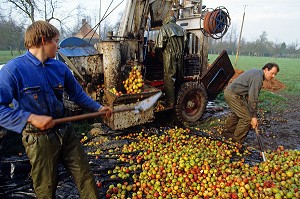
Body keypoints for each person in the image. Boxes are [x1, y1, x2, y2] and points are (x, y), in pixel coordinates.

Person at [0, 20, 112, 199]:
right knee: (46, 186)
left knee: (85, 175)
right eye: (56, 41)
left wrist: (98, 108)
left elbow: (77, 95)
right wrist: (30, 118)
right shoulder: (13, 70)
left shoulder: (60, 67)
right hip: (38, 139)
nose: (58, 46)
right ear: (44, 40)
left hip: (65, 132)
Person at [223, 63, 279, 144]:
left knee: (240, 113)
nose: (273, 76)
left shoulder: (257, 72)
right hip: (233, 94)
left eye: (275, 74)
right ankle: (237, 140)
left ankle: (228, 132)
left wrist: (251, 111)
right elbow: (253, 98)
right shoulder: (258, 78)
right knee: (247, 118)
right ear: (266, 70)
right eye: (272, 73)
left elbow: (248, 94)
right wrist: (253, 117)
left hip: (234, 93)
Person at [155, 11, 187, 107]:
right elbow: (185, 46)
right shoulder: (182, 29)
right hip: (180, 56)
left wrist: (160, 58)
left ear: (166, 19)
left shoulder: (164, 28)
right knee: (179, 78)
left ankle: (170, 103)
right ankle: (179, 101)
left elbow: (159, 46)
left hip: (169, 56)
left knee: (170, 79)